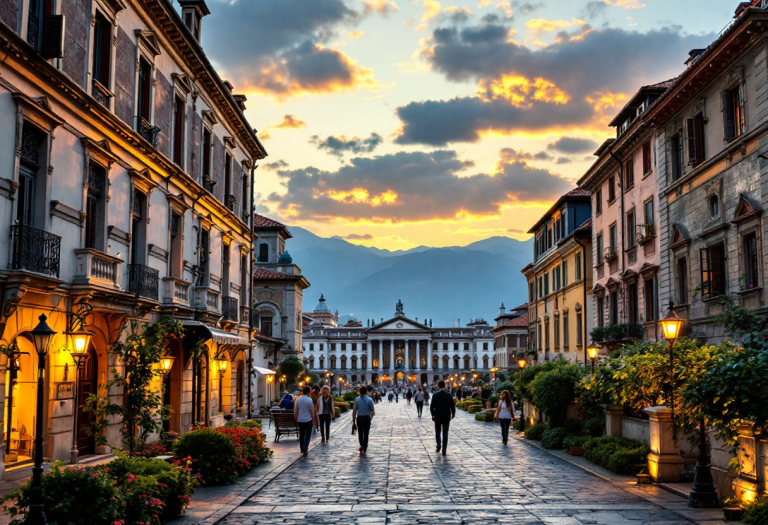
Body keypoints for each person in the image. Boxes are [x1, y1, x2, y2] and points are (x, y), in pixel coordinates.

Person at [430, 380, 456, 455]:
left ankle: (438, 444)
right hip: (446, 416)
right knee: (445, 432)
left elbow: (432, 407)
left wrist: (433, 415)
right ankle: (444, 449)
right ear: (444, 386)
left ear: (438, 386)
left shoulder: (435, 395)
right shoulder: (449, 395)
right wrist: (453, 414)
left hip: (438, 416)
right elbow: (452, 406)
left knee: (437, 432)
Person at [294, 386, 318, 456]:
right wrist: (314, 420)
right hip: (308, 420)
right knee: (307, 435)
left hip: (300, 420)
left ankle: (302, 449)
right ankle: (305, 449)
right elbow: (312, 411)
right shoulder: (309, 400)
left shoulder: (298, 400)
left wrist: (296, 419)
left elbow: (295, 412)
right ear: (309, 392)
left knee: (301, 435)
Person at [352, 385, 375, 454]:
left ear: (360, 392)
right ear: (366, 392)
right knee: (366, 433)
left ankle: (362, 445)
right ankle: (365, 447)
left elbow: (354, 409)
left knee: (360, 433)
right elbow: (372, 411)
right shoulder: (370, 399)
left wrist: (354, 417)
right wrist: (371, 418)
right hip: (367, 418)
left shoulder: (357, 399)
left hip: (360, 418)